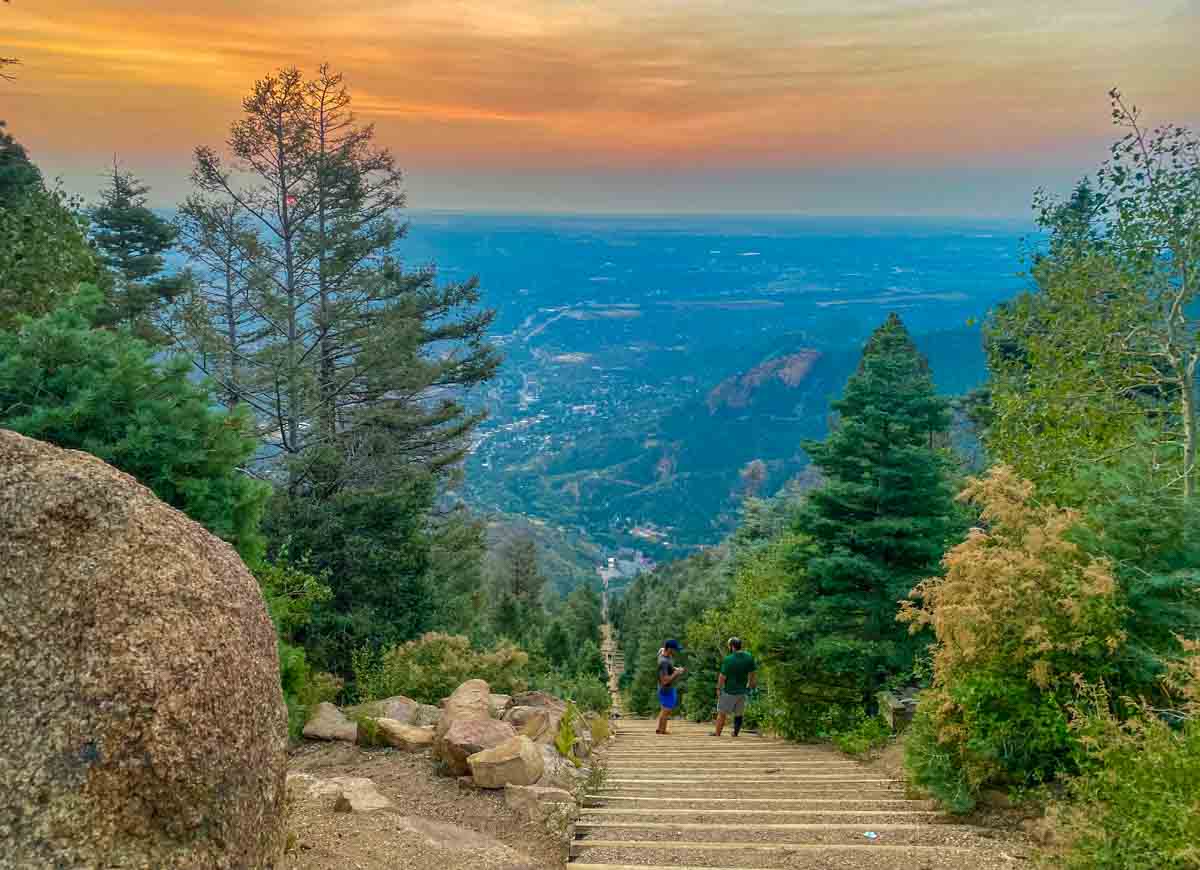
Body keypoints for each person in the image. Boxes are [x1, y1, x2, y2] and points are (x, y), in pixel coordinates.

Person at [712, 636, 756, 737]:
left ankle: (717, 733)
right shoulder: (749, 657)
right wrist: (750, 684)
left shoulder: (729, 659)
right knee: (739, 714)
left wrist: (718, 688)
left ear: (732, 646)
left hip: (729, 691)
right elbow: (752, 672)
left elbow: (722, 676)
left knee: (722, 713)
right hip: (742, 691)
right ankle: (735, 733)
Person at [655, 639, 685, 734]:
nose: (676, 651)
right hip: (665, 689)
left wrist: (675, 669)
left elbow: (661, 650)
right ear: (669, 649)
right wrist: (676, 673)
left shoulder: (663, 653)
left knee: (665, 708)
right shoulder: (663, 662)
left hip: (667, 688)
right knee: (666, 710)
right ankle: (662, 730)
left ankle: (660, 729)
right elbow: (664, 681)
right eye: (675, 649)